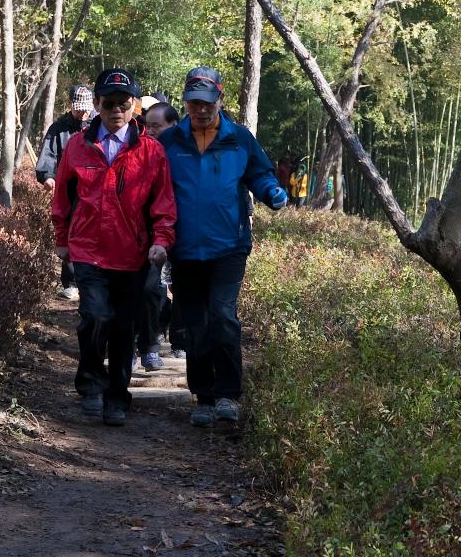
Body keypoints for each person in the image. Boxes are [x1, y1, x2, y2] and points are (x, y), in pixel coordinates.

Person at [159, 66, 287, 428]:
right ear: (185, 102)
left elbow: (260, 173)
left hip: (229, 245)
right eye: (193, 102)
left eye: (207, 102)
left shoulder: (239, 139)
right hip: (184, 248)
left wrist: (270, 192)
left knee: (223, 316)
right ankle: (204, 396)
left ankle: (229, 395)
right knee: (195, 324)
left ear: (220, 100)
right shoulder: (169, 142)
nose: (200, 109)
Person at [52, 68, 177, 427]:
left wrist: (161, 241)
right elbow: (62, 195)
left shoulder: (150, 151)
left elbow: (163, 204)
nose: (116, 110)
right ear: (97, 104)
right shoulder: (78, 145)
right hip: (88, 249)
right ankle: (91, 382)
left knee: (124, 326)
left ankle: (117, 396)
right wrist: (62, 239)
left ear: (134, 106)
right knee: (94, 316)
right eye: (108, 103)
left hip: (132, 254)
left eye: (123, 103)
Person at [134, 101, 181, 370]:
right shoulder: (140, 150)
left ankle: (168, 342)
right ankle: (144, 345)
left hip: (179, 230)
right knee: (148, 288)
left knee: (170, 291)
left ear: (173, 126)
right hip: (148, 233)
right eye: (147, 125)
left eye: (157, 126)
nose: (150, 131)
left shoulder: (185, 152)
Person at [36, 85, 92, 301]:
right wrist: (47, 176)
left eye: (86, 109)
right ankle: (71, 282)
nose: (83, 113)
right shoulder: (59, 127)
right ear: (71, 105)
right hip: (68, 188)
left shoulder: (98, 125)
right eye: (79, 109)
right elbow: (48, 154)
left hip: (91, 187)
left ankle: (90, 278)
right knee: (69, 232)